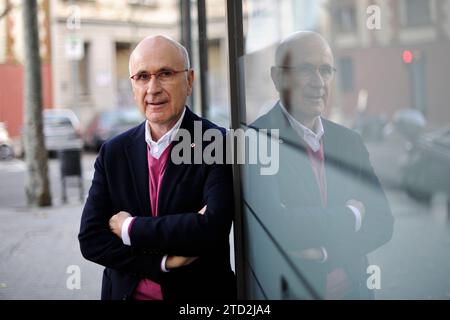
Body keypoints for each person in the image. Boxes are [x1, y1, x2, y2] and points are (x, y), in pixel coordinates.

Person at [78, 35, 236, 300]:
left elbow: (211, 229)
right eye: (142, 77)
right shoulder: (113, 152)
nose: (152, 88)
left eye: (165, 73)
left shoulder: (216, 143)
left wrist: (130, 228)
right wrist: (162, 263)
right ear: (132, 86)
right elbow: (91, 240)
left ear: (189, 81)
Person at [248, 31, 394, 299]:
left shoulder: (349, 141)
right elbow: (276, 227)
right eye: (305, 69)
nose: (318, 82)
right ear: (277, 77)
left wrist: (326, 253)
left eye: (326, 70)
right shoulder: (255, 140)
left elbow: (383, 222)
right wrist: (352, 215)